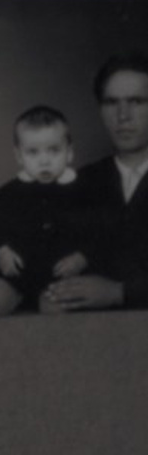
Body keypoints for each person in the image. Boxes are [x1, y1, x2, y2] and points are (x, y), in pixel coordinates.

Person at [41, 52, 148, 314]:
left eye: (136, 101)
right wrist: (52, 293)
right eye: (111, 102)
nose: (123, 116)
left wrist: (119, 293)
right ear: (100, 110)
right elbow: (53, 264)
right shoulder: (81, 182)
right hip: (93, 332)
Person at [0, 106, 95, 318]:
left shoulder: (83, 191)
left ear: (69, 152)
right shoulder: (8, 193)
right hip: (16, 274)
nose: (44, 160)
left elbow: (98, 231)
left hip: (59, 276)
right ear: (19, 156)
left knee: (58, 313)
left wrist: (82, 257)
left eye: (54, 150)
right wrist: (2, 251)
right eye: (33, 152)